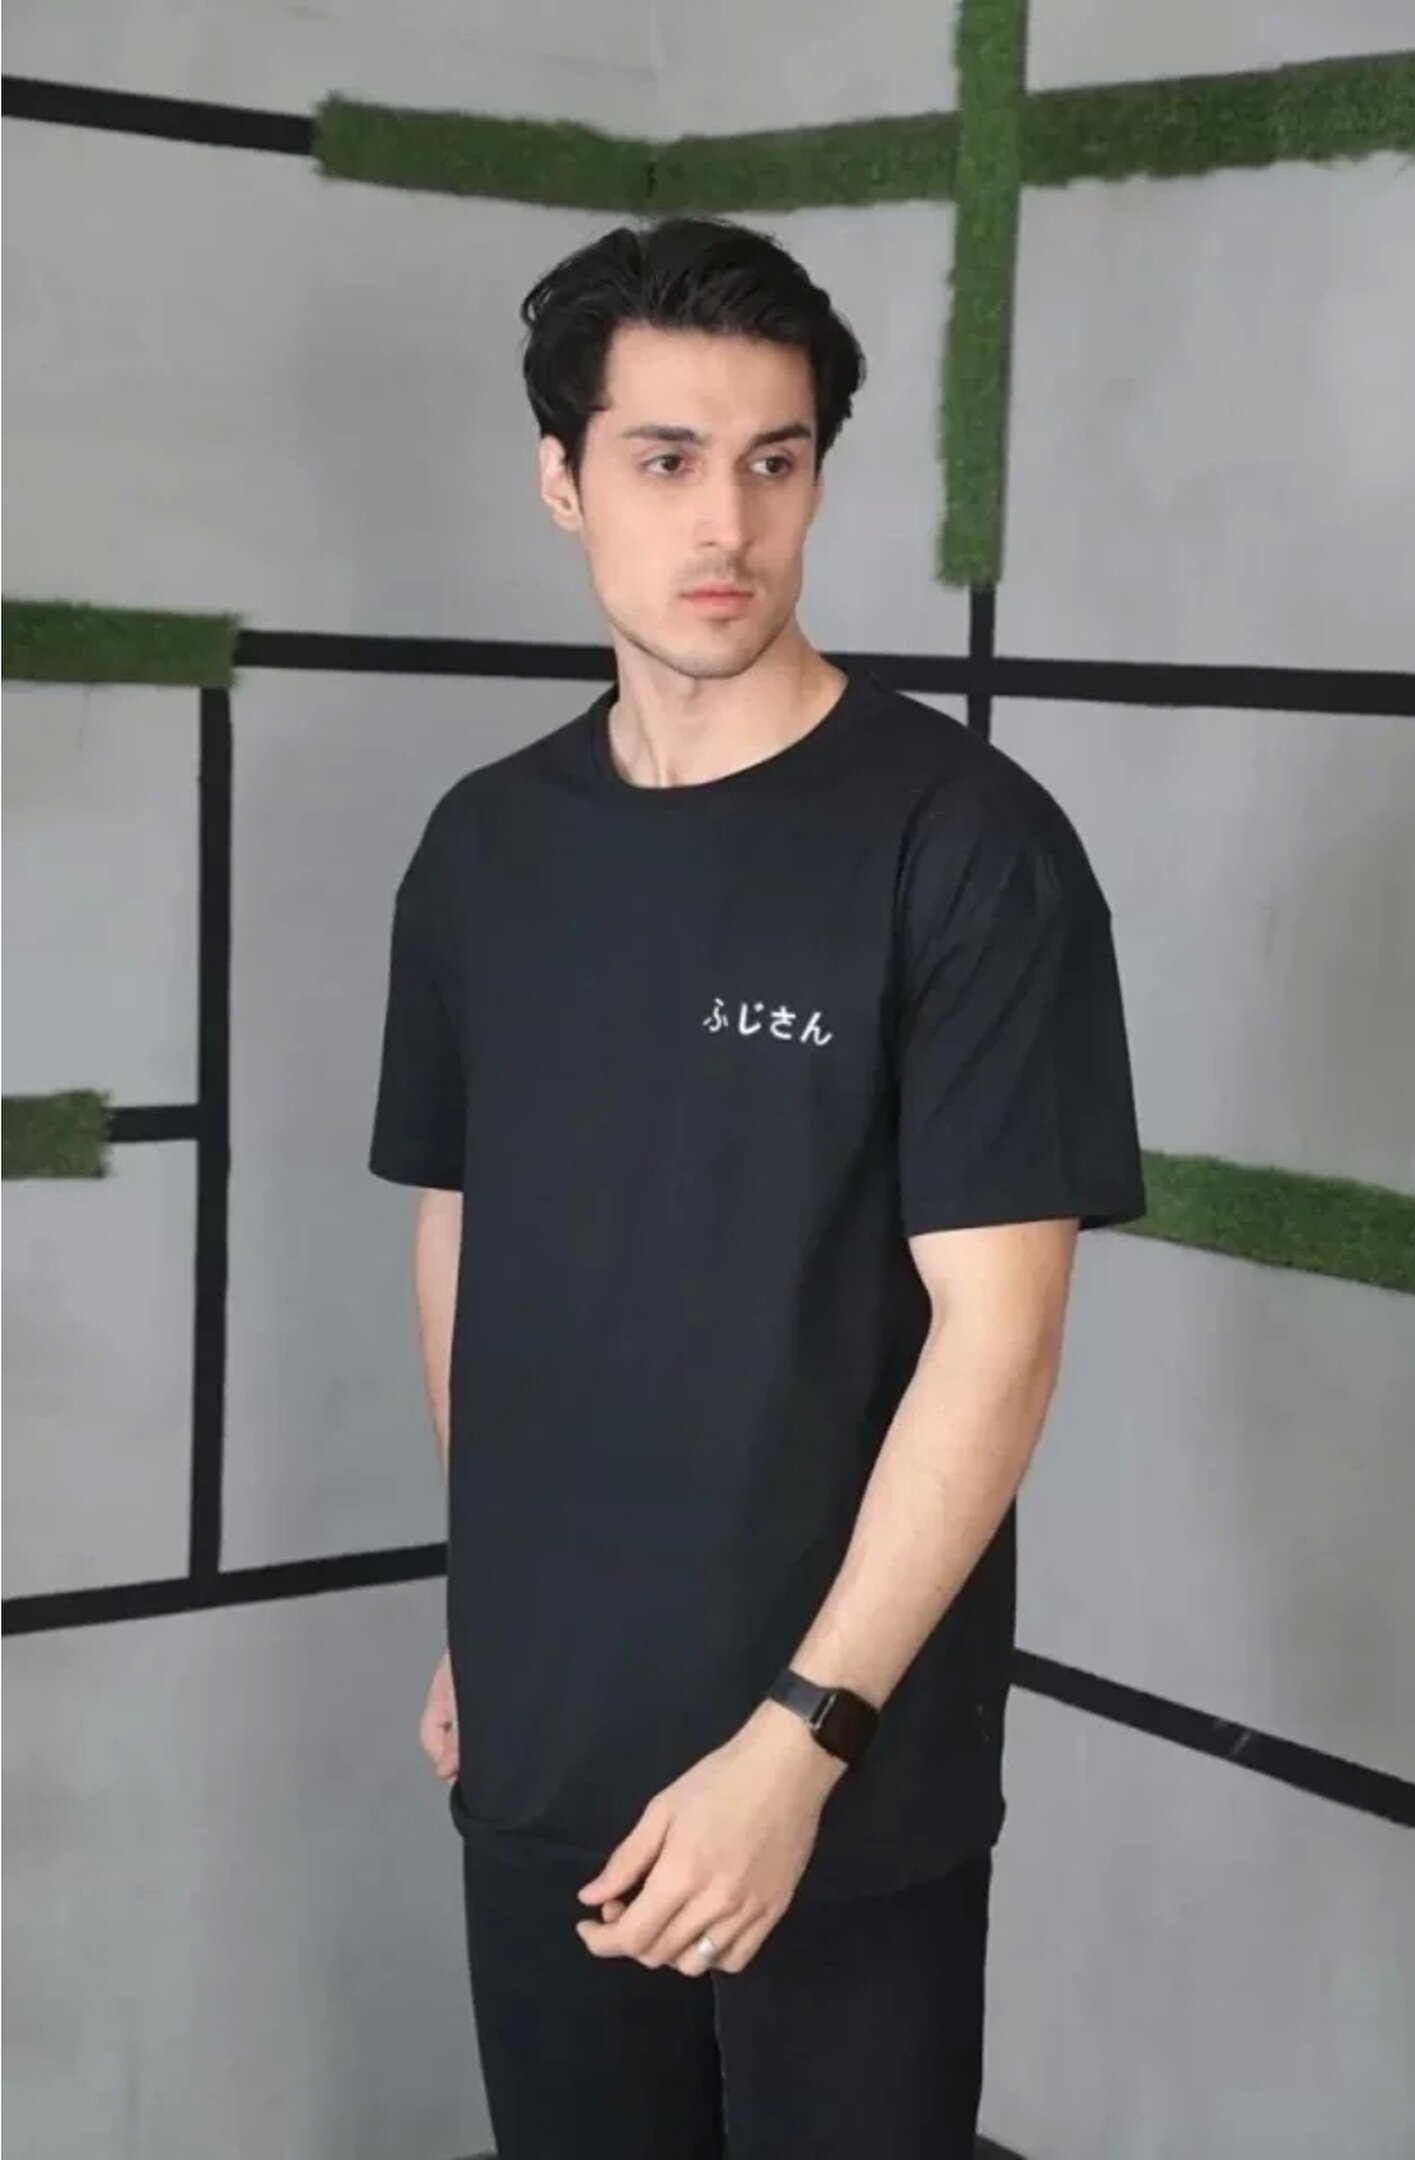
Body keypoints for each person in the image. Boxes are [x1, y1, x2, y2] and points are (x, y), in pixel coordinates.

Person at [368, 214, 1146, 2158]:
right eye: (665, 459)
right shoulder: (481, 854)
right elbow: (465, 1237)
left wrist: (800, 1744)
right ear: (563, 481)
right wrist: (497, 1607)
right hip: (546, 1740)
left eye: (774, 460)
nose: (728, 520)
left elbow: (1000, 1339)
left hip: (841, 1775)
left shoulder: (964, 844)